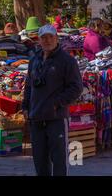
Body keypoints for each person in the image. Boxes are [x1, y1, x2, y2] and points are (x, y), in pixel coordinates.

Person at [22, 24, 83, 176]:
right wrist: (25, 106)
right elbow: (29, 85)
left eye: (50, 37)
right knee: (40, 161)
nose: (47, 40)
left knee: (59, 160)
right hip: (36, 118)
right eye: (44, 37)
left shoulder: (67, 61)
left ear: (56, 38)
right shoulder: (34, 60)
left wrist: (57, 103)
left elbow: (76, 88)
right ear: (39, 41)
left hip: (56, 118)